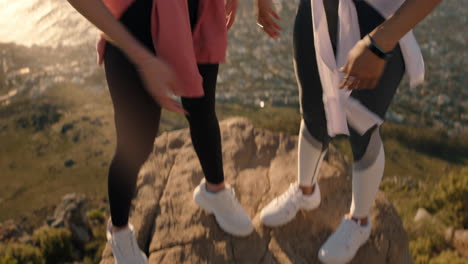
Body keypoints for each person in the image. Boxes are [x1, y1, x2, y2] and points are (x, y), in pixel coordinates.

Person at [66, 0, 252, 263]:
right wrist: (141, 58)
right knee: (135, 146)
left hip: (199, 12)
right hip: (132, 31)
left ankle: (215, 191)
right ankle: (119, 233)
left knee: (202, 111)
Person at [256, 0, 441, 263]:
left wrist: (380, 43)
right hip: (316, 10)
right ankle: (306, 191)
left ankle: (359, 221)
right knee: (312, 110)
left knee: (363, 126)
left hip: (377, 22)